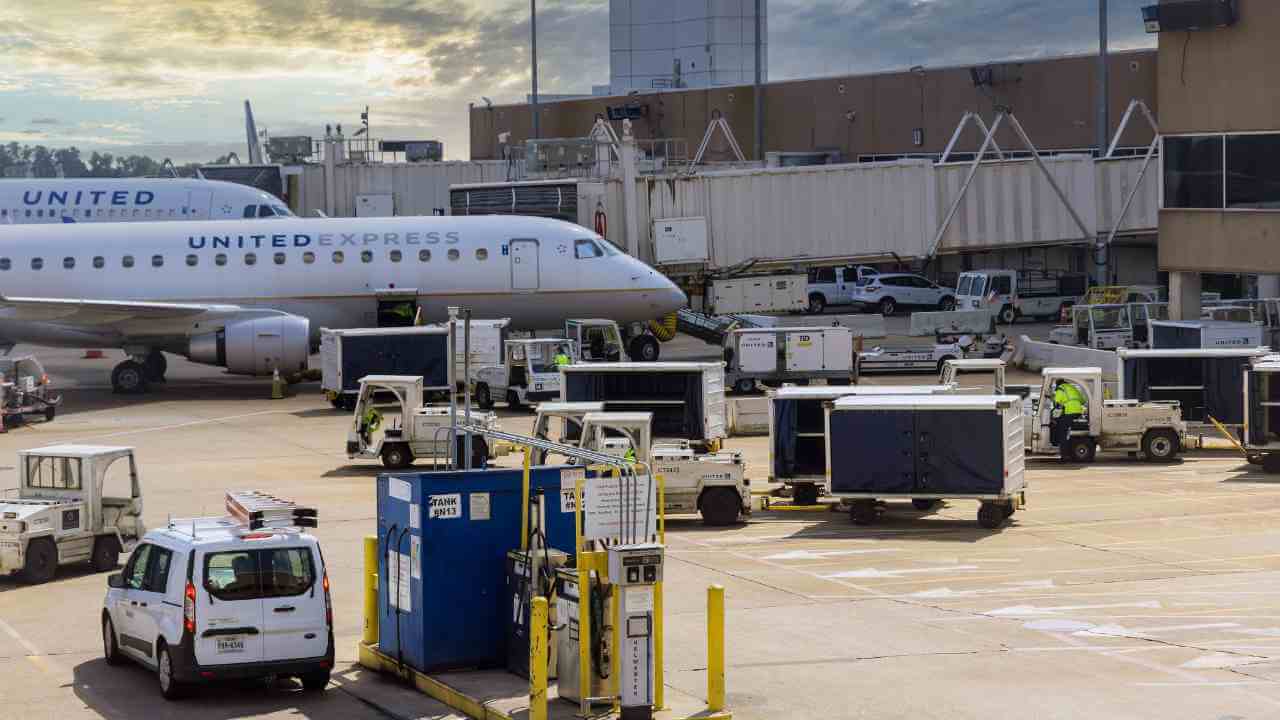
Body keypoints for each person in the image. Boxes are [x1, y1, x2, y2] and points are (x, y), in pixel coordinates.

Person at [1051, 380, 1087, 458]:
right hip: (1078, 412)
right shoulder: (1072, 387)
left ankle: (1064, 455)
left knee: (1062, 431)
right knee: (1067, 426)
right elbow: (1083, 401)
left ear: (1058, 384)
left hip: (1069, 412)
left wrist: (1056, 404)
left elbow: (1056, 402)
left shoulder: (1060, 389)